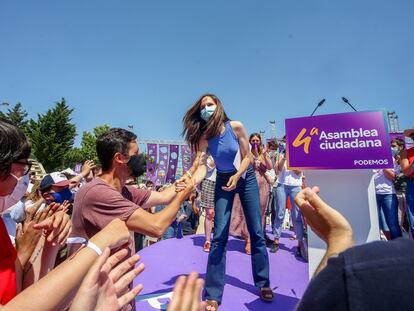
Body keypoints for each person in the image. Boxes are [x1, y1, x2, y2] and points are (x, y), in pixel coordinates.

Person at [180, 94, 272, 310]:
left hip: (245, 177)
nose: (206, 109)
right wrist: (189, 177)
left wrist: (238, 175)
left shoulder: (236, 126)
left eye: (209, 105)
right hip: (223, 179)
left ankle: (263, 282)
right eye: (202, 107)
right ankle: (212, 293)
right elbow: (200, 163)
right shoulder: (204, 136)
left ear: (218, 106)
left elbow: (248, 156)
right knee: (219, 236)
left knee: (256, 231)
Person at [69, 128, 194, 257]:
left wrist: (196, 167)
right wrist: (182, 196)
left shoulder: (124, 191)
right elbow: (156, 226)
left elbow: (165, 196)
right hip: (98, 277)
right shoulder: (98, 193)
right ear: (119, 158)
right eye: (136, 154)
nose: (140, 158)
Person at [230, 133, 272, 254]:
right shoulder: (246, 152)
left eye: (257, 140)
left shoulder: (263, 153)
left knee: (260, 213)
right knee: (247, 212)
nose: (255, 142)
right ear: (249, 141)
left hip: (262, 186)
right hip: (249, 184)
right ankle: (248, 240)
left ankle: (257, 239)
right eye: (253, 140)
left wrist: (264, 154)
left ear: (260, 141)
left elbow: (269, 167)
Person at [272, 143, 305, 256]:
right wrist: (285, 157)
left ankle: (300, 244)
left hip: (296, 186)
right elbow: (279, 169)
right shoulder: (281, 155)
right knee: (280, 212)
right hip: (282, 185)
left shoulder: (300, 154)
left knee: (296, 215)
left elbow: (298, 171)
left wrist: (292, 160)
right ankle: (276, 240)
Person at [373, 155, 402, 240]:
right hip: (371, 195)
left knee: (392, 224)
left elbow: (393, 176)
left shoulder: (389, 157)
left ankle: (399, 248)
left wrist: (382, 164)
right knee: (378, 225)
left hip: (388, 194)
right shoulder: (364, 158)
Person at [200, 156, 216, 252]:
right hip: (209, 181)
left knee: (222, 213)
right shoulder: (208, 150)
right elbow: (209, 166)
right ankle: (208, 241)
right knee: (210, 213)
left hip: (225, 180)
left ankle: (218, 240)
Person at [401, 127, 414, 239]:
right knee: (413, 220)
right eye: (413, 135)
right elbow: (406, 172)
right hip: (412, 185)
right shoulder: (405, 153)